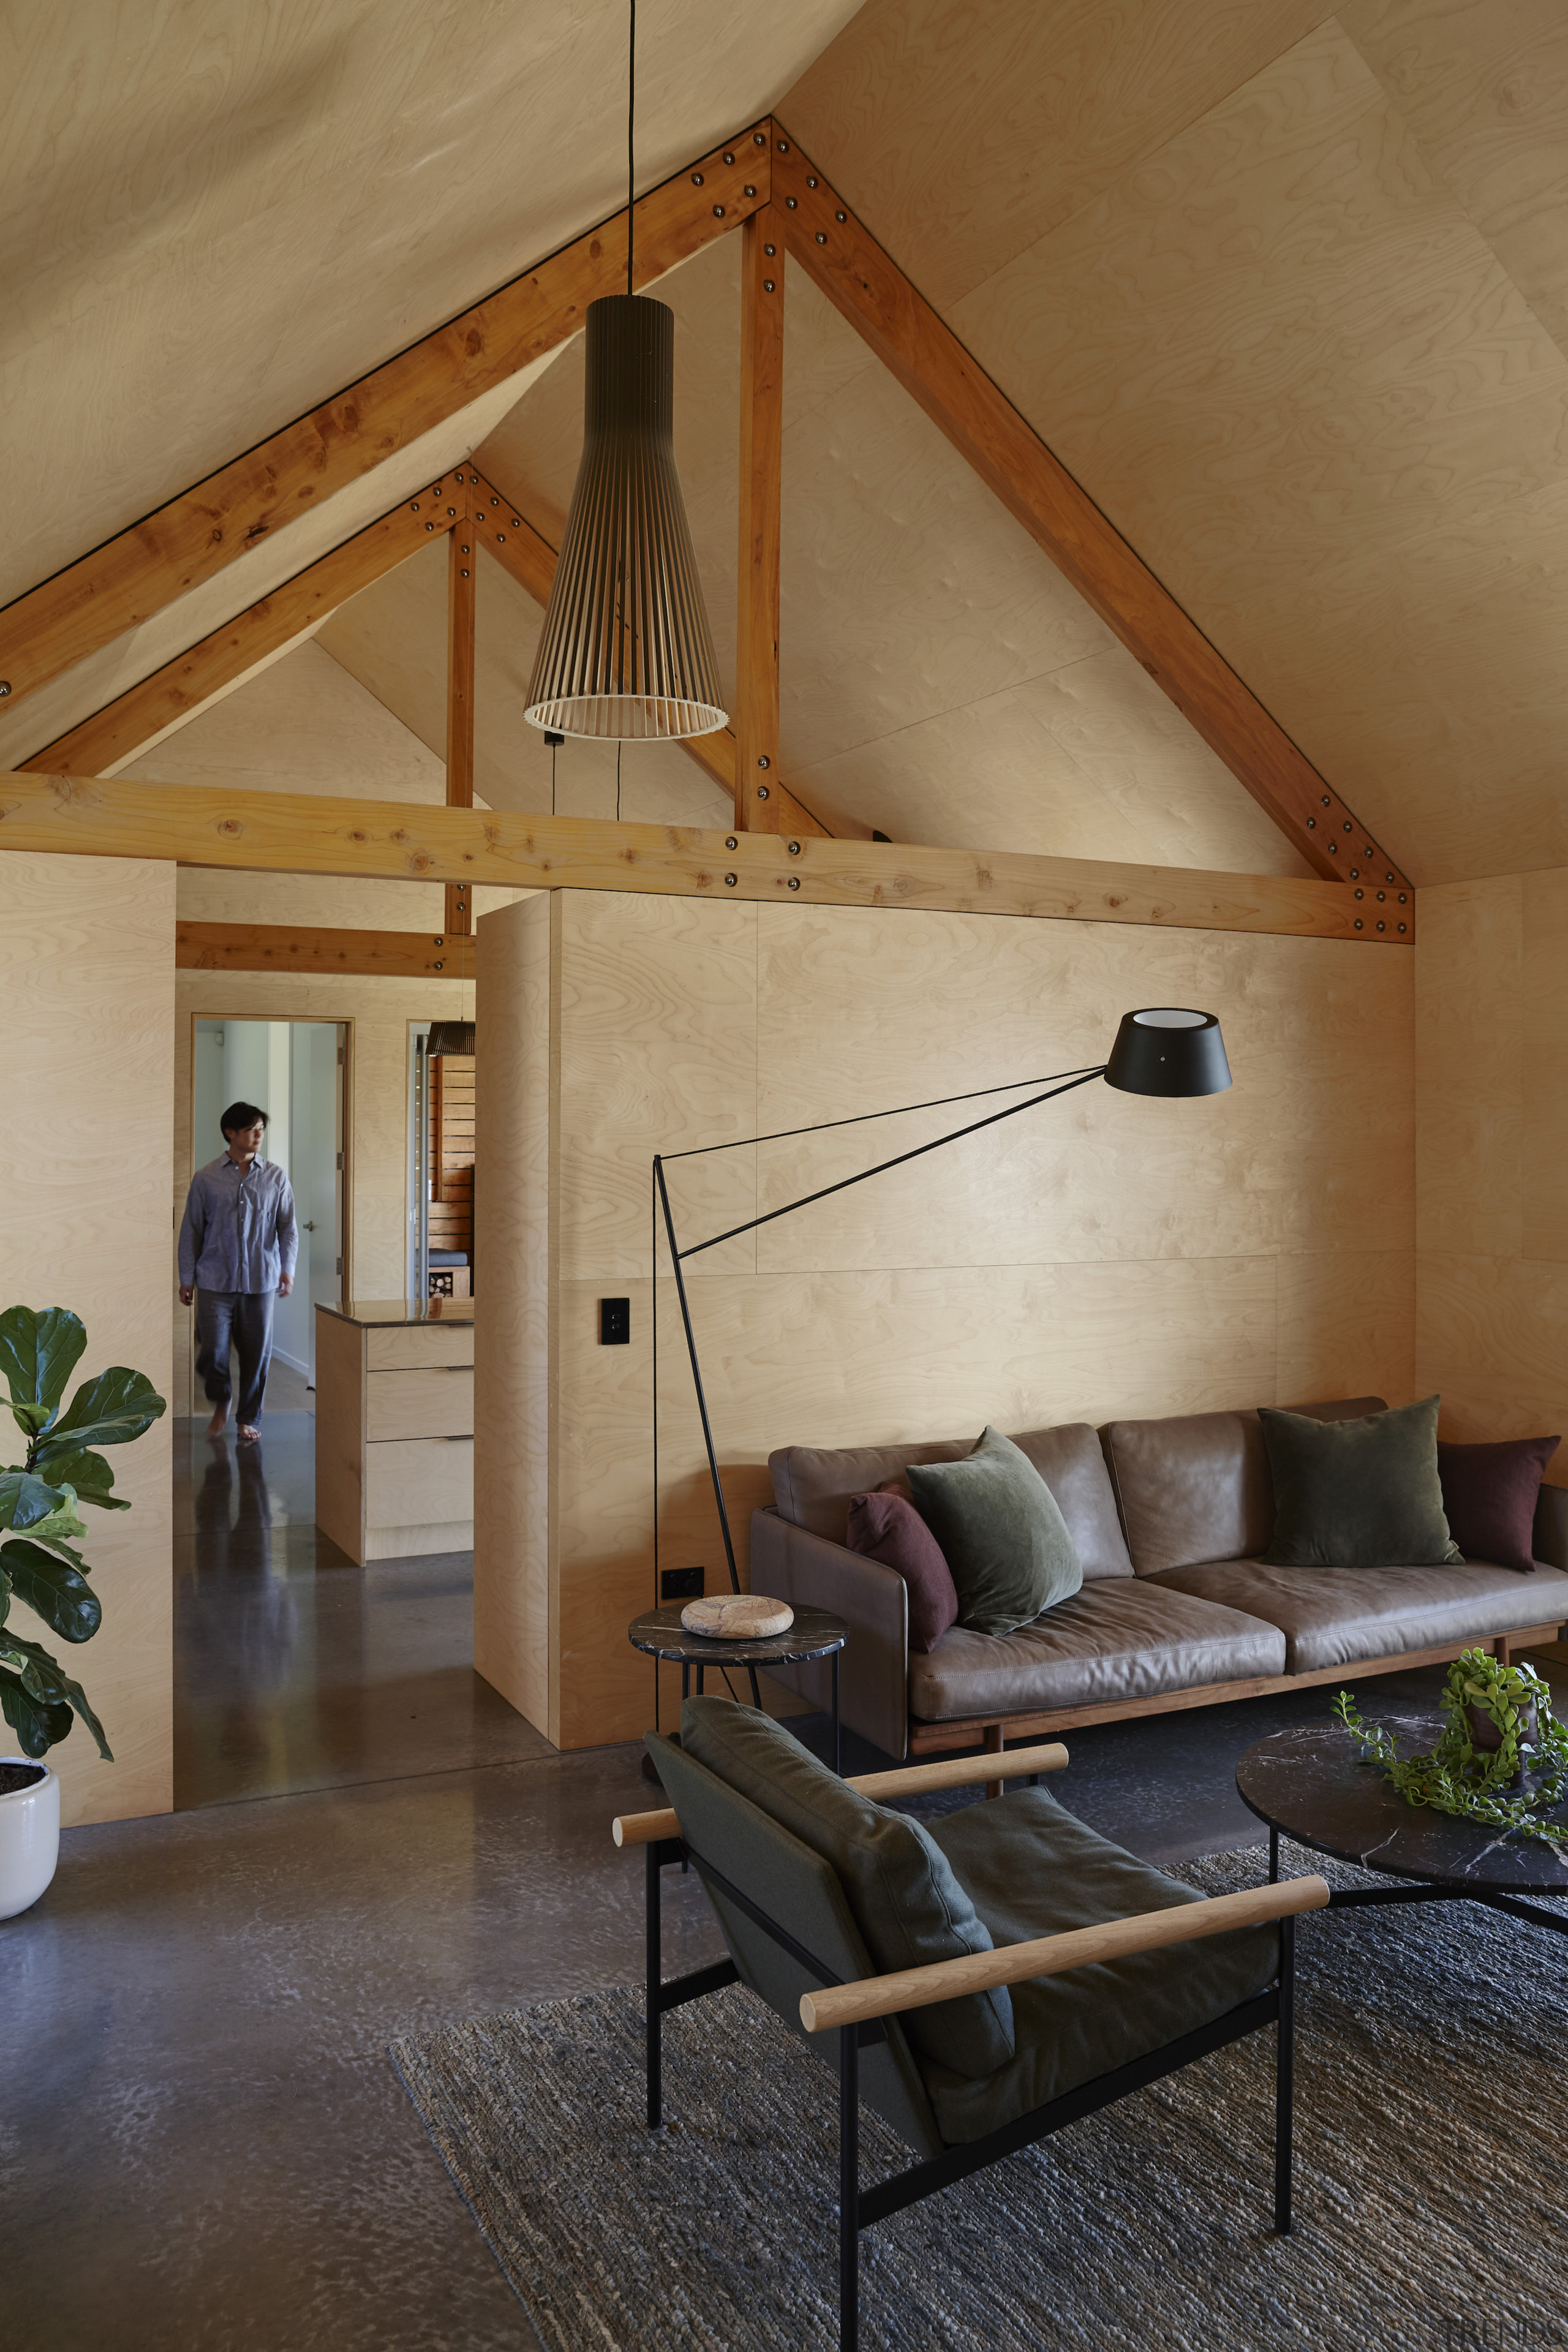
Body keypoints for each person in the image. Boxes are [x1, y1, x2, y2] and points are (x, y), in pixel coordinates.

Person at [178, 1102, 298, 1444]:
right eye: (251, 1129)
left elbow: (287, 1229)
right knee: (212, 1351)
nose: (259, 1134)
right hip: (215, 1279)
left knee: (256, 1354)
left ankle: (248, 1418)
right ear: (231, 1132)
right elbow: (191, 1231)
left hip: (261, 1280)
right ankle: (222, 1398)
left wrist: (287, 1269)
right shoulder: (206, 1178)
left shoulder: (276, 1176)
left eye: (262, 1128)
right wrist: (187, 1277)